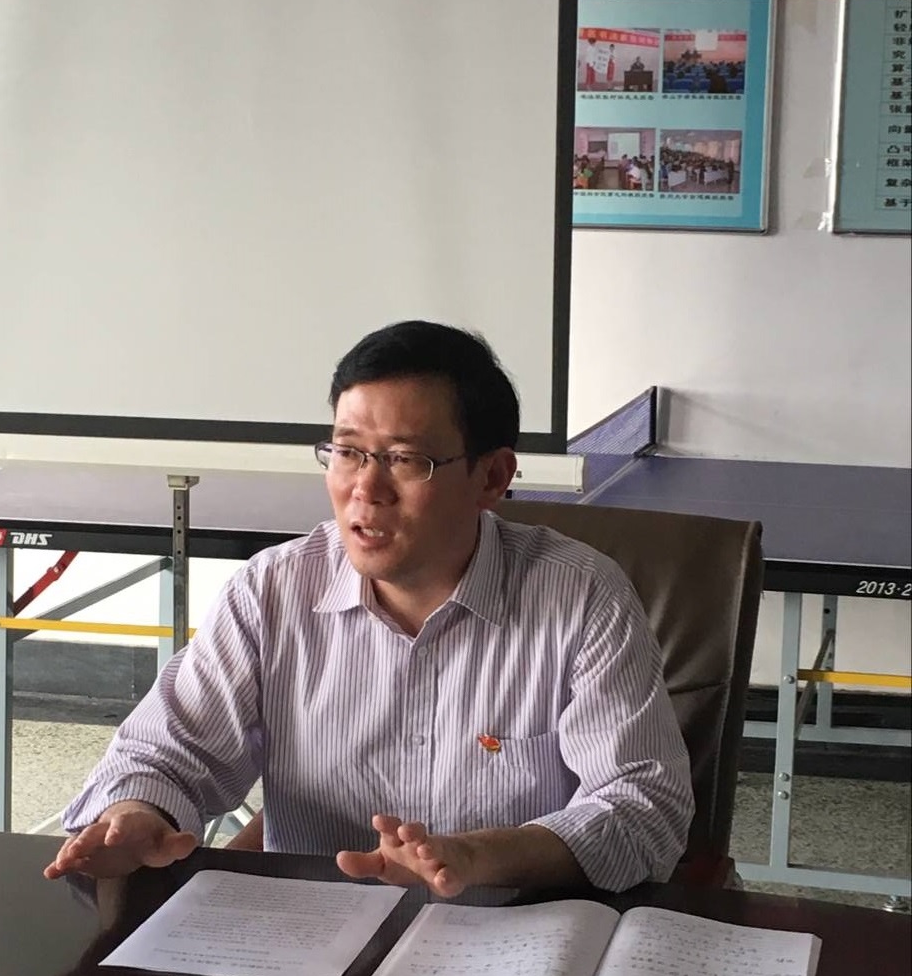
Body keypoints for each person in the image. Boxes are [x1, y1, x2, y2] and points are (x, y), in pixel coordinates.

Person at [45, 322, 692, 896]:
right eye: (348, 452)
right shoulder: (272, 591)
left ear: (492, 477)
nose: (365, 489)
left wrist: (476, 858)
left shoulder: (581, 597)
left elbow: (642, 808)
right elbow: (164, 754)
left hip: (509, 939)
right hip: (307, 944)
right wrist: (135, 815)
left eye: (405, 460)